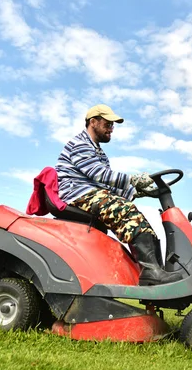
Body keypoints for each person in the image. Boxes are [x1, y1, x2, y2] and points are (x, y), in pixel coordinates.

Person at [55, 104, 182, 286]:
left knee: (138, 219)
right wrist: (133, 180)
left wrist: (138, 191)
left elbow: (107, 184)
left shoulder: (99, 153)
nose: (111, 129)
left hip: (92, 192)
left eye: (112, 126)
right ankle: (151, 273)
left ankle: (157, 272)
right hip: (77, 192)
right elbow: (100, 175)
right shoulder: (80, 144)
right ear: (93, 122)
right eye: (108, 124)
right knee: (125, 211)